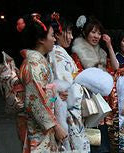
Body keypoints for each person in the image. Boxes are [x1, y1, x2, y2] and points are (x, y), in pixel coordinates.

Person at [19, 13, 67, 153]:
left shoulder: (38, 62)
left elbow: (44, 94)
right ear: (41, 39)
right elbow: (35, 101)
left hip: (44, 126)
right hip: (38, 127)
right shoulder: (33, 65)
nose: (54, 40)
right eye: (52, 35)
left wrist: (55, 95)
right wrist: (56, 126)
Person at [71, 15, 119, 153]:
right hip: (89, 102)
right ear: (85, 32)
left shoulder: (102, 53)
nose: (96, 36)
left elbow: (115, 68)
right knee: (91, 141)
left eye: (99, 32)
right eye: (93, 32)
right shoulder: (78, 53)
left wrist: (109, 45)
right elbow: (77, 76)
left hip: (102, 101)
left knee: (103, 140)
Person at [48, 12, 90, 152]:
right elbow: (65, 89)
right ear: (58, 34)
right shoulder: (57, 53)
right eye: (69, 32)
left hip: (70, 112)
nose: (71, 37)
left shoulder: (59, 52)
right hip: (68, 113)